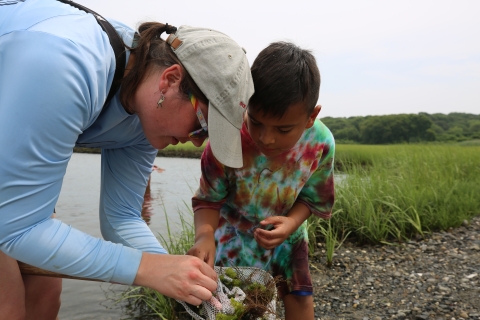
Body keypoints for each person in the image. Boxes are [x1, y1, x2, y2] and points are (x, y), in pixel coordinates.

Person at [0, 0, 254, 319]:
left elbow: (121, 216)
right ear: (171, 80)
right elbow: (19, 229)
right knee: (7, 304)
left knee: (45, 294)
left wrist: (175, 271)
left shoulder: (146, 115)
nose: (194, 143)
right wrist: (149, 269)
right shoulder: (66, 65)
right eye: (201, 127)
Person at [187, 42, 335, 320]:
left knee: (299, 297)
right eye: (255, 122)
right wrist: (204, 236)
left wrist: (290, 223)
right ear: (245, 104)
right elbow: (208, 199)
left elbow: (311, 198)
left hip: (287, 239)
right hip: (231, 238)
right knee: (230, 306)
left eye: (283, 129)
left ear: (310, 117)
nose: (266, 138)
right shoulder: (225, 139)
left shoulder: (320, 144)